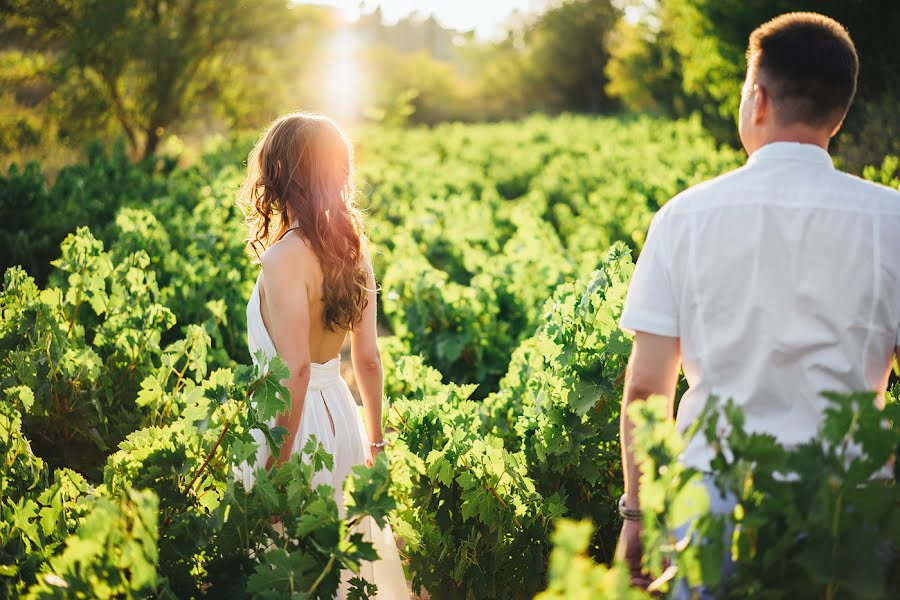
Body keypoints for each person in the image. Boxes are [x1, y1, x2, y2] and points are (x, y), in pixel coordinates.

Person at [614, 11, 900, 595]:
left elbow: (648, 391)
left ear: (758, 99)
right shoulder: (890, 221)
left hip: (715, 510)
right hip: (849, 515)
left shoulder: (683, 218)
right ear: (839, 113)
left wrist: (637, 517)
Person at [235, 113, 408, 599]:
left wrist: (278, 469)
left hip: (293, 426)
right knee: (341, 566)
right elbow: (368, 360)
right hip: (343, 419)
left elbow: (296, 370)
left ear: (278, 174)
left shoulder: (282, 258)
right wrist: (375, 442)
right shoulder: (353, 249)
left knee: (286, 569)